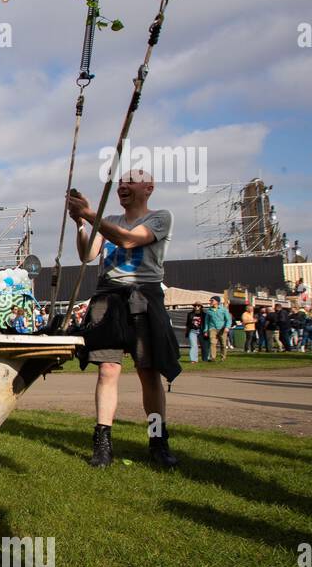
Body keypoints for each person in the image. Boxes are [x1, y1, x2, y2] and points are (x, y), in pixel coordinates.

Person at [67, 171, 181, 468]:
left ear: (149, 188)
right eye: (120, 182)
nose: (123, 186)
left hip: (144, 296)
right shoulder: (109, 221)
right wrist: (81, 223)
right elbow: (86, 254)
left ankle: (158, 441)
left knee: (149, 372)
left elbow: (130, 241)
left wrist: (90, 215)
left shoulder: (161, 217)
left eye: (131, 181)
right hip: (109, 296)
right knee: (107, 370)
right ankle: (103, 444)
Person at [205, 296, 230, 361]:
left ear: (217, 302)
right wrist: (206, 330)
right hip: (212, 329)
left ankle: (223, 357)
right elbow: (206, 321)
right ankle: (213, 357)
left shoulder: (224, 310)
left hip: (222, 329)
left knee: (223, 344)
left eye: (212, 300)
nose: (210, 302)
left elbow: (228, 320)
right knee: (212, 343)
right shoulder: (209, 311)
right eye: (210, 300)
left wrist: (227, 327)